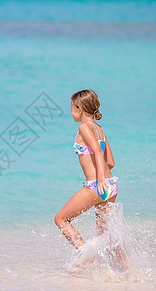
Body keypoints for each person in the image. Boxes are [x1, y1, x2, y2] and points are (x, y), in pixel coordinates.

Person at [54, 89, 122, 261]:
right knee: (107, 236)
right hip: (111, 185)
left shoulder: (84, 127)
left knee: (61, 219)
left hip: (97, 185)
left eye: (72, 108)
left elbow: (98, 151)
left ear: (80, 109)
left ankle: (87, 258)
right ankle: (127, 269)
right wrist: (103, 177)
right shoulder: (99, 129)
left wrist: (98, 179)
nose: (70, 112)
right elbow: (111, 162)